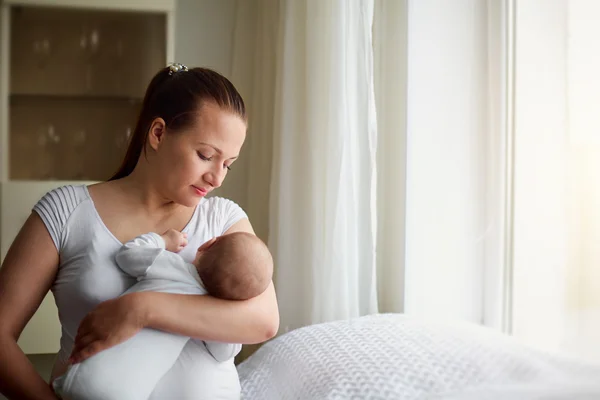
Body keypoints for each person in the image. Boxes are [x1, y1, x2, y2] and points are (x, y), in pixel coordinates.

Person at [0, 63, 279, 400]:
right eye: (206, 155)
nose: (217, 178)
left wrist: (141, 309)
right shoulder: (67, 212)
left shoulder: (224, 220)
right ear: (158, 133)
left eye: (228, 164)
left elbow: (263, 321)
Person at [53, 228, 274, 400]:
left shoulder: (172, 265)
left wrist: (163, 240)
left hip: (93, 374)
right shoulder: (212, 317)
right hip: (128, 393)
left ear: (208, 244)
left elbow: (129, 255)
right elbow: (223, 352)